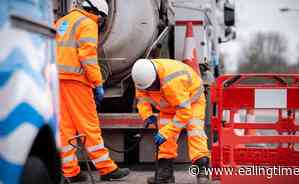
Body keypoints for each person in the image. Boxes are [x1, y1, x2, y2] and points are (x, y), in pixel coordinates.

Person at [55, 0, 129, 182]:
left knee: (65, 128)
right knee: (89, 125)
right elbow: (87, 57)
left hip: (57, 80)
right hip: (76, 82)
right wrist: (97, 83)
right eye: (102, 20)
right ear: (98, 12)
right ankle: (107, 169)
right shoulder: (87, 23)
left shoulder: (61, 21)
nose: (101, 23)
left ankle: (70, 172)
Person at [132, 59, 210, 184]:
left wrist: (166, 132)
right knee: (166, 138)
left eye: (153, 86)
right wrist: (147, 114)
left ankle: (202, 172)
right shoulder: (142, 79)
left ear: (156, 77)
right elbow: (142, 98)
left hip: (191, 102)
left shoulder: (172, 80)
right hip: (168, 107)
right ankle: (165, 175)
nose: (151, 89)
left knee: (195, 132)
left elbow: (184, 112)